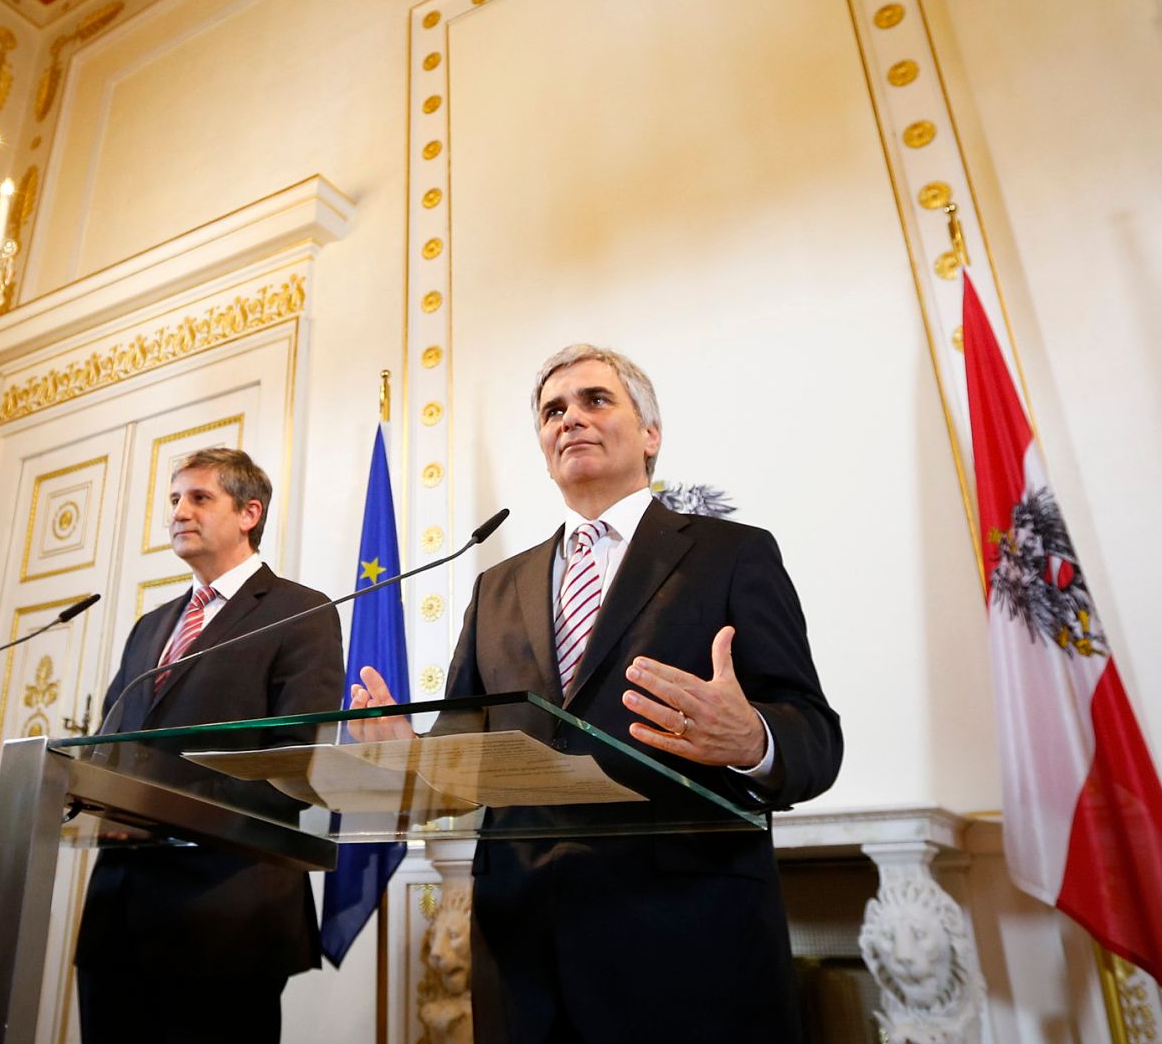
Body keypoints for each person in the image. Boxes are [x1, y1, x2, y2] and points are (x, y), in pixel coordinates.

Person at [353, 345, 843, 1043]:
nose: (570, 419)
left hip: (687, 946)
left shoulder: (731, 553)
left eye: (594, 400)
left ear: (650, 434)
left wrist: (754, 739)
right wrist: (418, 760)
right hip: (524, 948)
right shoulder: (498, 584)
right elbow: (465, 746)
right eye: (553, 410)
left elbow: (816, 737)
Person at [73, 447, 343, 1044]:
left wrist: (150, 807)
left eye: (199, 497)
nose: (178, 512)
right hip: (118, 911)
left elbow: (294, 762)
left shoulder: (301, 612)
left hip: (226, 912)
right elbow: (108, 745)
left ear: (249, 513)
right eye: (174, 498)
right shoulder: (151, 626)